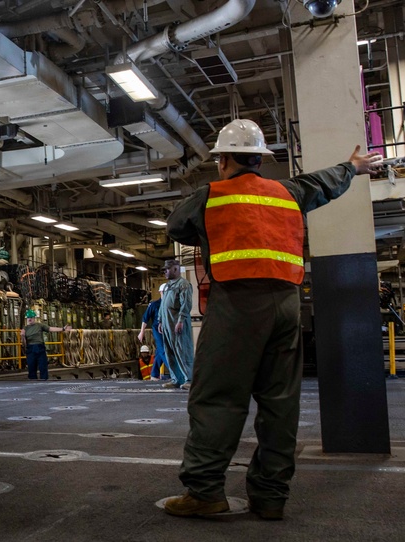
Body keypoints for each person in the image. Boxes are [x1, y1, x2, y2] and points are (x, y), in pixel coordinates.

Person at [161, 119, 384, 520]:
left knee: (217, 399)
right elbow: (324, 182)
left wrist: (213, 234)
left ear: (224, 160)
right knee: (280, 404)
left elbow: (177, 226)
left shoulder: (210, 194)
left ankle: (206, 491)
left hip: (236, 306)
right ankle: (270, 497)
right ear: (260, 159)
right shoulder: (289, 192)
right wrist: (352, 166)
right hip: (286, 304)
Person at [158, 260, 193, 390]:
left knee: (182, 351)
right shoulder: (167, 286)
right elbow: (163, 305)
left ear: (175, 269)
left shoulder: (183, 285)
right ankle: (176, 379)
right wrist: (160, 320)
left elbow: (186, 304)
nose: (165, 272)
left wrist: (181, 320)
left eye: (167, 269)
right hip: (167, 323)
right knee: (170, 352)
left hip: (177, 323)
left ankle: (189, 379)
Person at [21, 310, 71, 380]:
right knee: (31, 367)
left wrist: (62, 329)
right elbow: (24, 343)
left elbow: (50, 329)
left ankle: (44, 381)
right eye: (28, 317)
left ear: (34, 318)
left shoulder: (40, 325)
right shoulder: (25, 329)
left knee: (43, 366)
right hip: (30, 349)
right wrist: (22, 336)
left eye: (31, 317)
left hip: (40, 347)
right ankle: (32, 382)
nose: (29, 319)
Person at [138, 289, 168, 380]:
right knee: (163, 350)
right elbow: (145, 318)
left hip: (167, 329)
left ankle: (154, 374)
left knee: (160, 351)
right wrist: (142, 332)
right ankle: (174, 371)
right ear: (161, 292)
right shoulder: (154, 305)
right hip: (157, 330)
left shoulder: (170, 304)